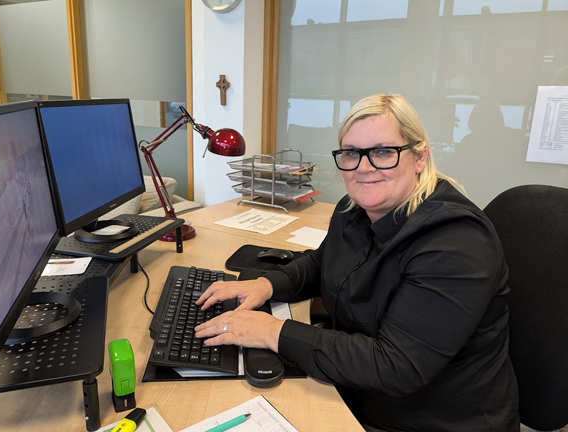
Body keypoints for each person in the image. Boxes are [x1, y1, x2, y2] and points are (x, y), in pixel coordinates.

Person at [195, 94, 519, 432]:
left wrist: (272, 332)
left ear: (419, 157)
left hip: (434, 417)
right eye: (351, 153)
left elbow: (396, 366)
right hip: (361, 388)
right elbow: (322, 263)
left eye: (382, 152)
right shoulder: (357, 209)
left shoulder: (456, 242)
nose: (364, 168)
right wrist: (265, 285)